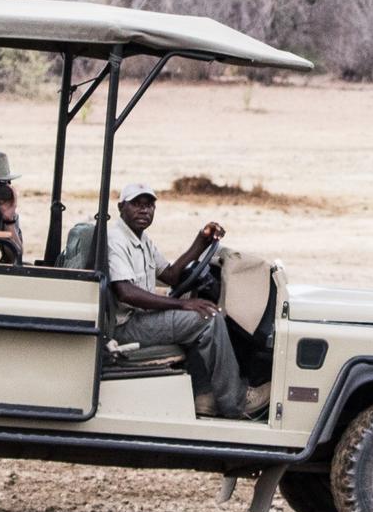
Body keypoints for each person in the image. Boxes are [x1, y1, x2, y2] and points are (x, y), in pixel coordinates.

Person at [64, 180, 259, 419]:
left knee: (199, 308)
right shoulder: (116, 239)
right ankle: (235, 402)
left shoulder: (142, 240)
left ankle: (203, 395)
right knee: (208, 319)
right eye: (137, 204)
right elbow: (126, 292)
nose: (144, 210)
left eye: (149, 205)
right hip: (126, 327)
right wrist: (183, 304)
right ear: (121, 207)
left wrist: (201, 241)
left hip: (140, 319)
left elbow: (171, 274)